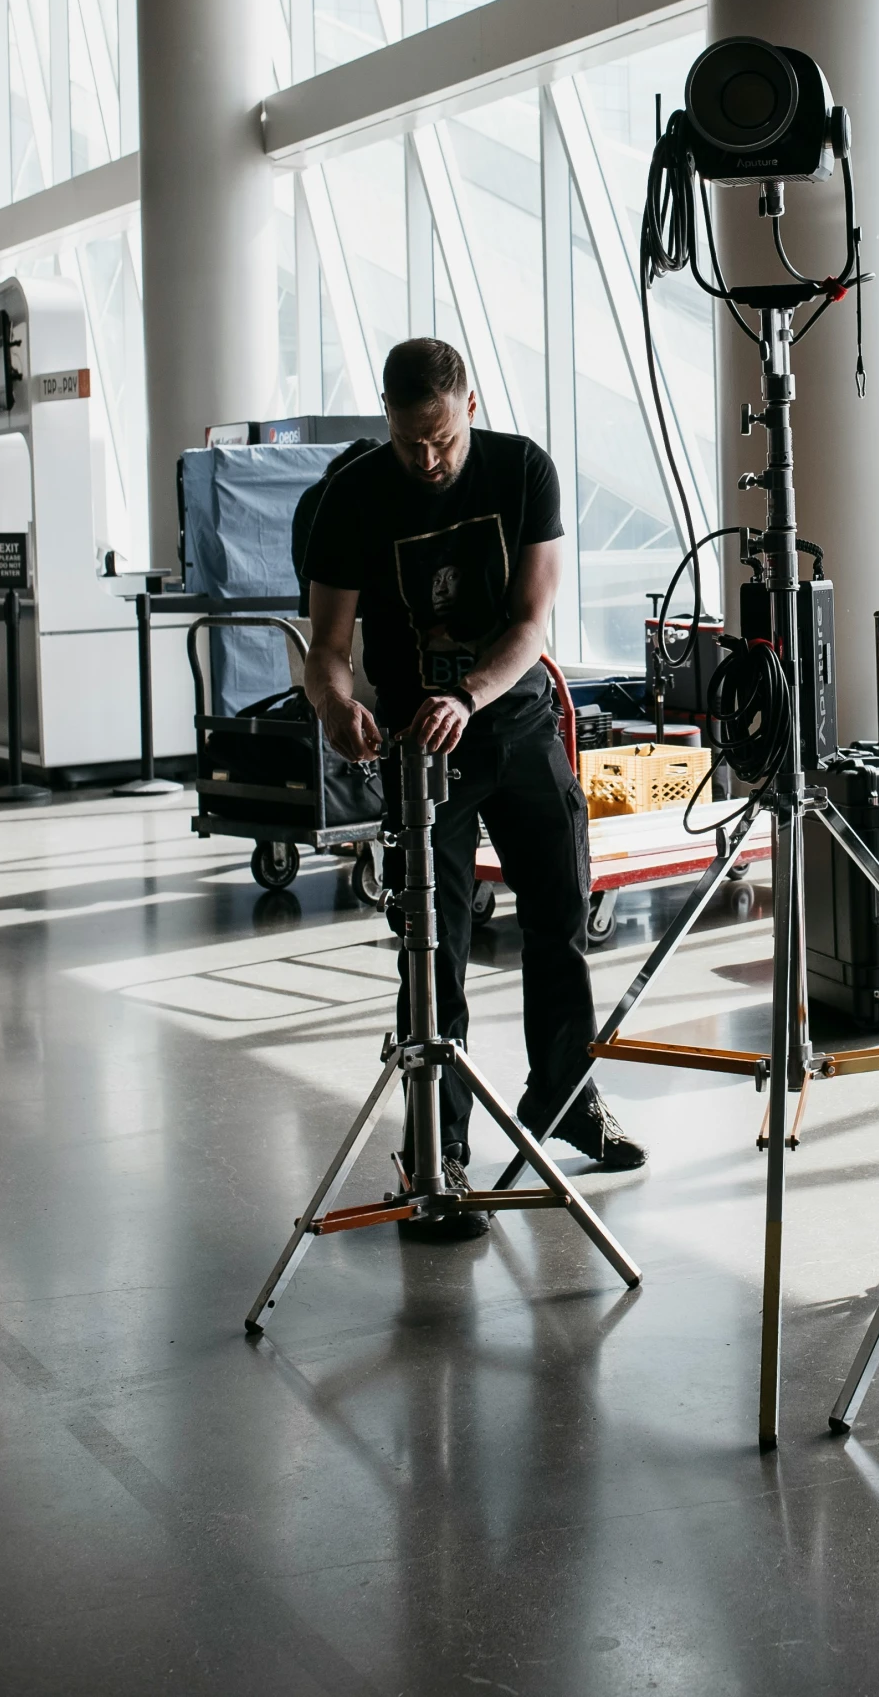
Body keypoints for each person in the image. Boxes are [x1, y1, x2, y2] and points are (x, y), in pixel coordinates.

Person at [301, 337, 645, 1243]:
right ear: (387, 418)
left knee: (559, 917)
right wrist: (337, 704)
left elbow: (532, 618)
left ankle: (566, 1096)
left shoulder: (521, 467)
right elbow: (327, 649)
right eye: (411, 440)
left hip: (517, 721)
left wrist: (471, 693)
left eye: (442, 439)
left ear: (471, 406)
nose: (427, 459)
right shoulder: (351, 498)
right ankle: (436, 1146)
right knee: (434, 944)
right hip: (419, 748)